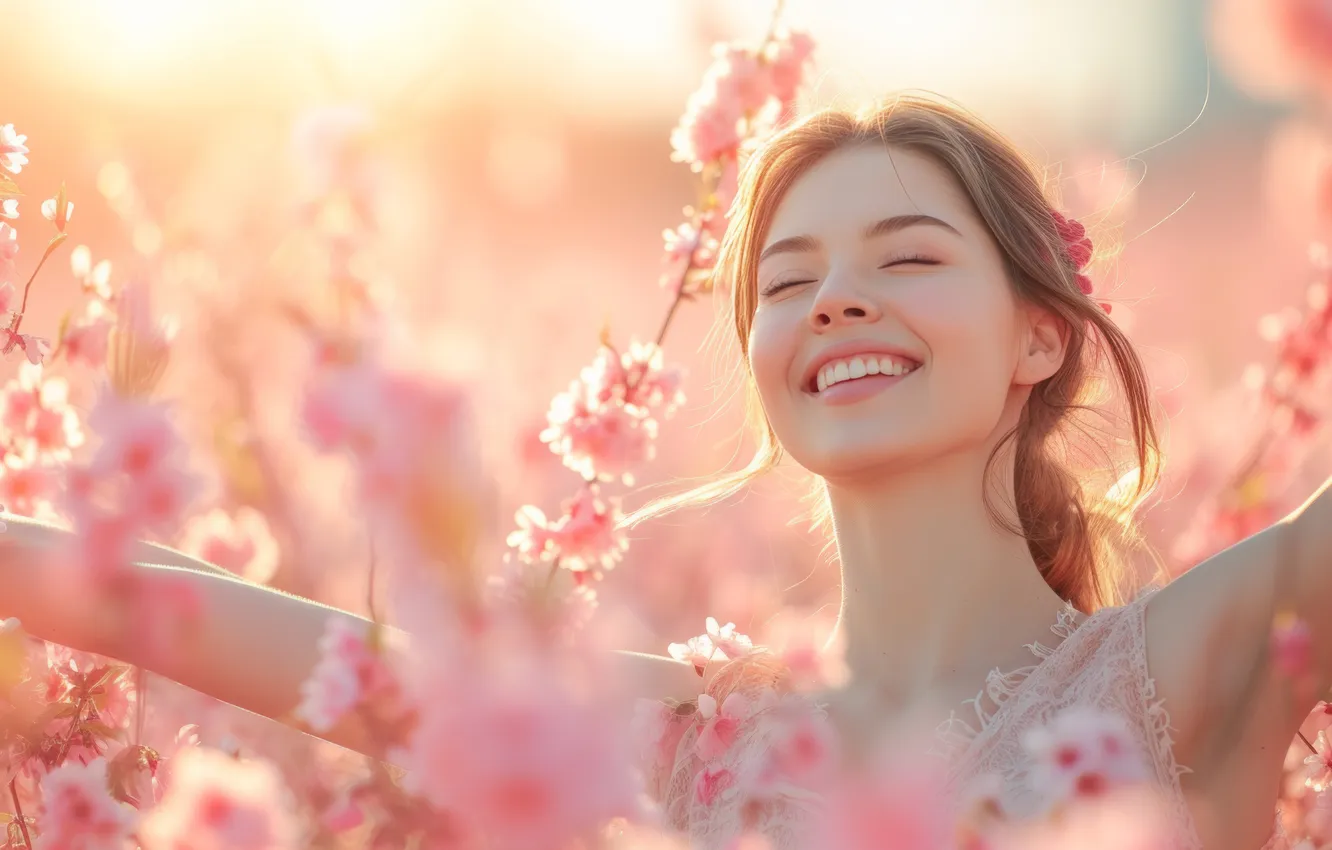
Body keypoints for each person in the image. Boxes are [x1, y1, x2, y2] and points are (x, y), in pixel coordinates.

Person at [0, 94, 1327, 850]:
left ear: (1042, 335)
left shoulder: (1189, 662)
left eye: (908, 256)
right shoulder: (686, 744)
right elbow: (139, 596)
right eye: (790, 280)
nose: (838, 303)